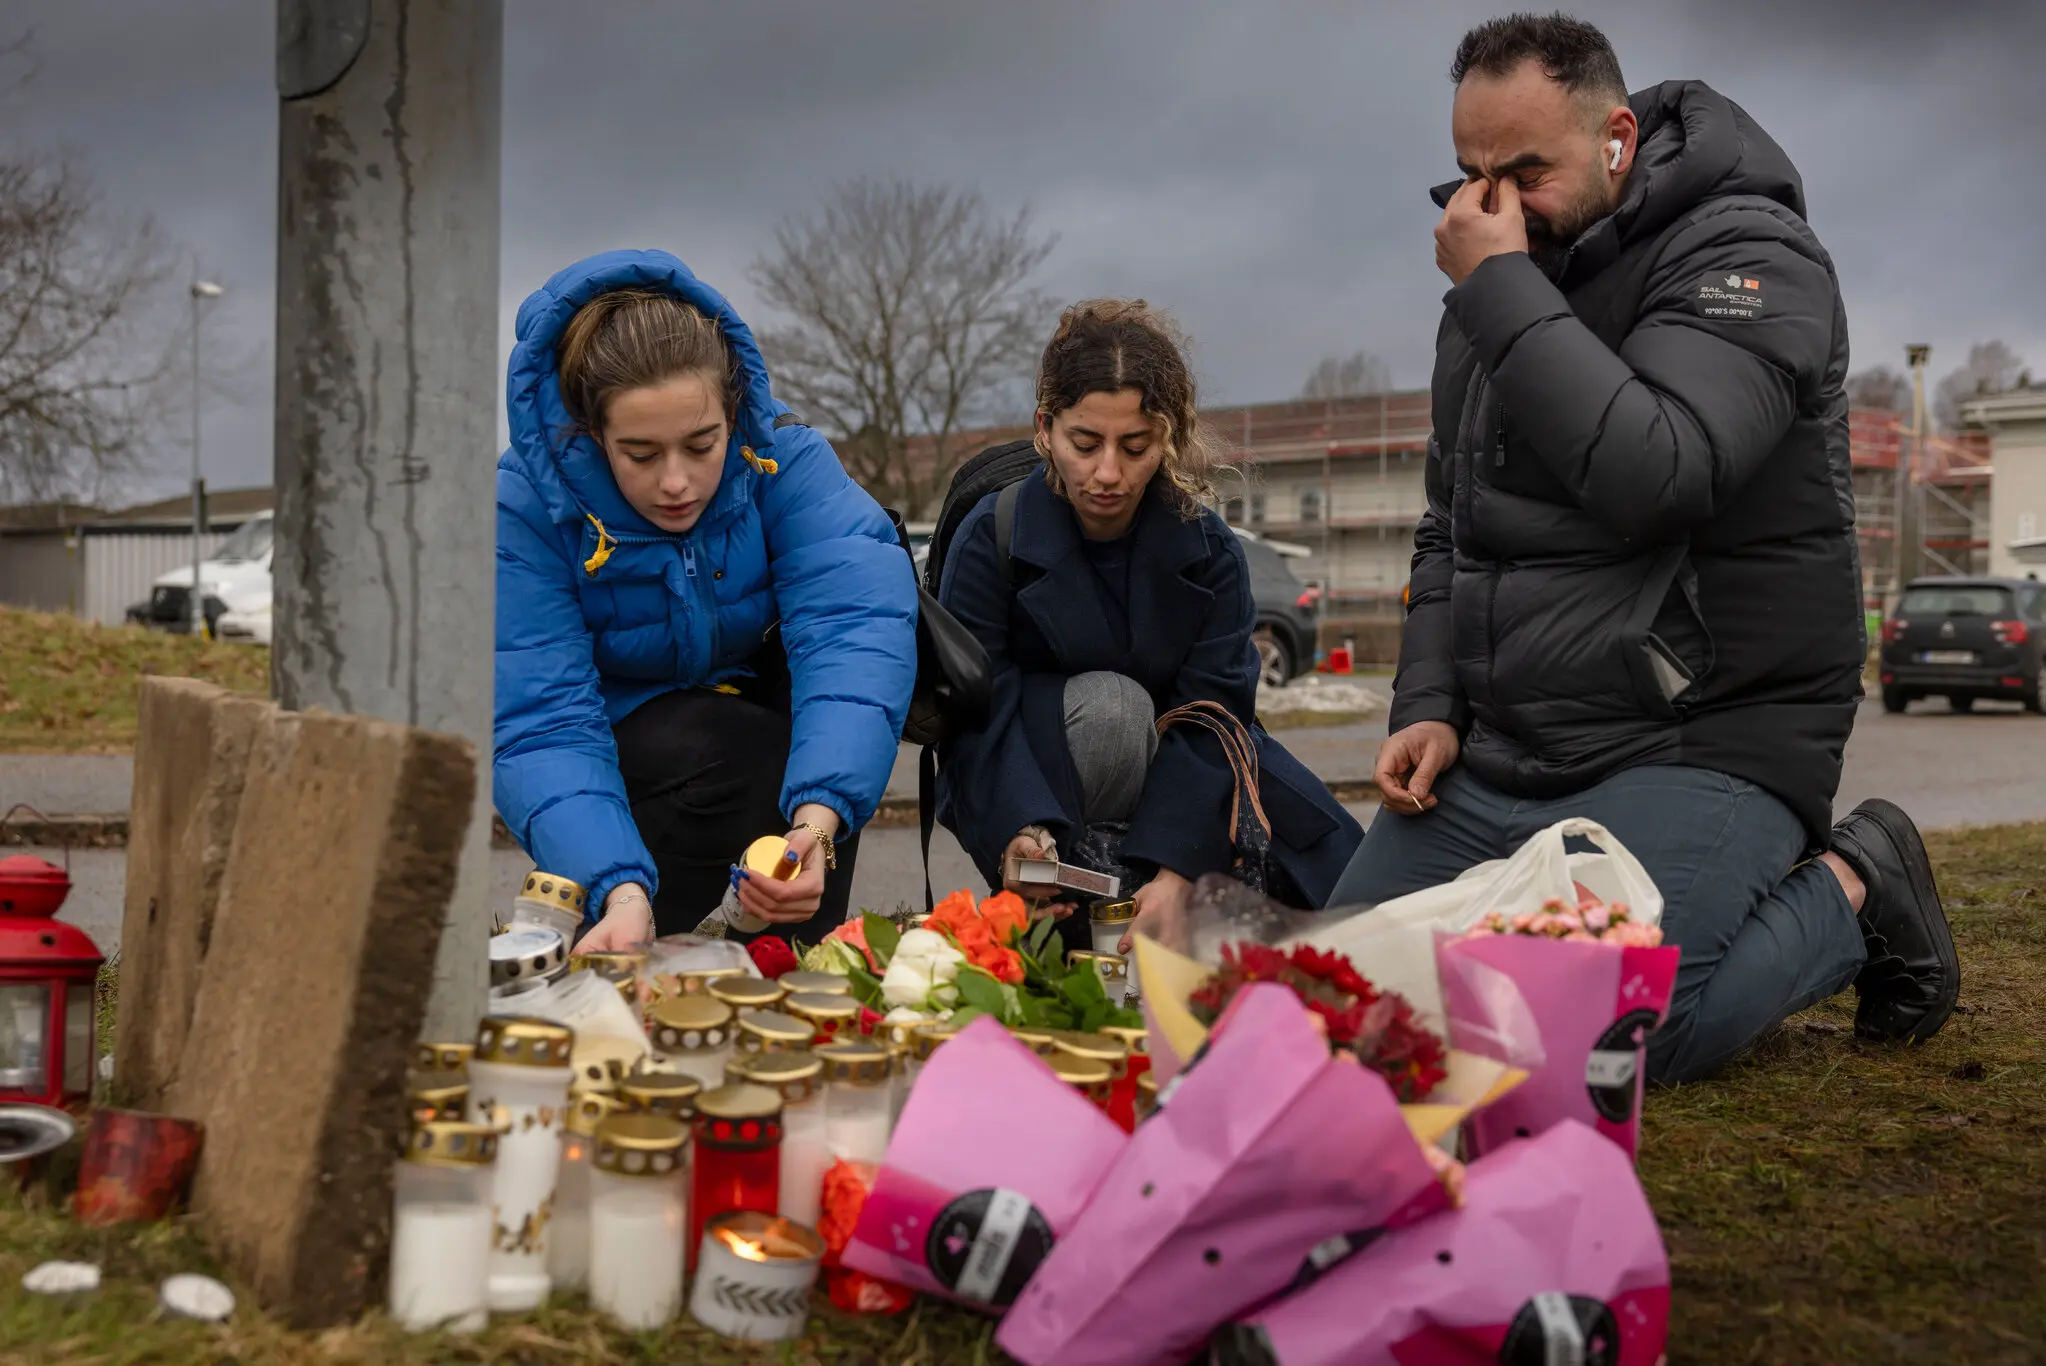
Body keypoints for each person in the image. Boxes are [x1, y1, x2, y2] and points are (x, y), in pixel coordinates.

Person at [1326, 14, 1959, 1082]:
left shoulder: (1749, 254)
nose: (1490, 206)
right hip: (1511, 747)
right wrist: (1428, 703)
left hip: (1700, 735)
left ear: (1616, 138)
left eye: (1525, 173)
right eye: (1471, 175)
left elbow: (1660, 473)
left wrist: (1497, 290)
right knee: (1341, 997)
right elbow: (1449, 522)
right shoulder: (1498, 282)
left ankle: (1857, 879)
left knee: (1604, 1040)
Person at [495, 250, 917, 949]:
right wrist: (616, 888)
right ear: (590, 433)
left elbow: (855, 630)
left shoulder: (782, 458)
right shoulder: (525, 507)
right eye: (640, 454)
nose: (676, 483)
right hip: (615, 735)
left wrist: (817, 825)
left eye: (701, 445)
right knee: (733, 749)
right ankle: (636, 929)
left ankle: (796, 953)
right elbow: (539, 719)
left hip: (750, 707)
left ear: (735, 412)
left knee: (813, 751)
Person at [935, 299, 1363, 953]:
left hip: (1185, 778)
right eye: (1085, 444)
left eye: (1136, 447)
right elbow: (977, 714)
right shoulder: (989, 538)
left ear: (1169, 439)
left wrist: (1177, 869)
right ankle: (1077, 895)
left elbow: (1217, 712)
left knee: (1349, 891)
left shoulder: (1211, 551)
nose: (1108, 473)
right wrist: (1016, 830)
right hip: (1038, 775)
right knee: (1115, 712)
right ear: (1045, 429)